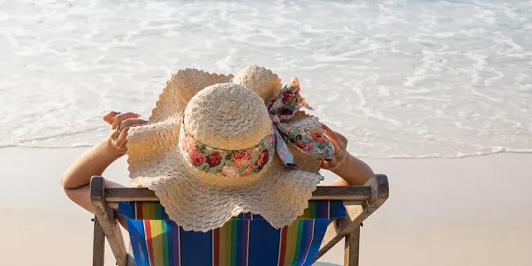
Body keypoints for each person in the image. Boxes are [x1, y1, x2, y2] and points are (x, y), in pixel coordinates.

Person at [61, 65, 374, 229]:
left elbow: (72, 184)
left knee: (105, 205)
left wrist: (112, 148)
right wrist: (339, 161)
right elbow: (366, 187)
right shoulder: (306, 209)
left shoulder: (148, 211)